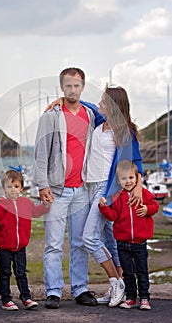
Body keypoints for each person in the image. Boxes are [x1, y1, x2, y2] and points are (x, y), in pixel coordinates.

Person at [46, 85, 143, 307]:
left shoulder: (125, 132)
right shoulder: (100, 123)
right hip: (88, 187)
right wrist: (63, 99)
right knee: (110, 239)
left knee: (89, 237)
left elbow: (135, 161)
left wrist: (137, 185)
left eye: (103, 102)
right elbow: (86, 106)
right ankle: (123, 287)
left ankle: (117, 282)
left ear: (113, 106)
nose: (99, 104)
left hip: (106, 190)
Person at [33, 67, 97, 309]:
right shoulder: (50, 117)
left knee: (80, 242)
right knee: (53, 244)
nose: (72, 90)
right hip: (56, 191)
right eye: (68, 86)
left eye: (77, 85)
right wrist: (42, 185)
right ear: (62, 87)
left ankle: (80, 288)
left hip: (82, 189)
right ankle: (53, 291)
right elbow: (41, 154)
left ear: (83, 87)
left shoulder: (90, 115)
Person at [0, 169, 51, 311]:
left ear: (21, 187)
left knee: (21, 273)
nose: (13, 190)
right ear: (4, 188)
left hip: (20, 246)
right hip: (4, 247)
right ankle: (6, 300)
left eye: (16, 186)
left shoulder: (26, 203)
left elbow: (35, 213)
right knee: (5, 273)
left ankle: (26, 298)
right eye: (9, 187)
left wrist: (45, 206)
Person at [99, 160, 159, 310]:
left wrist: (147, 209)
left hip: (140, 243)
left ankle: (144, 298)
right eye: (124, 178)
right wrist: (103, 208)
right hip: (122, 243)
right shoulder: (117, 198)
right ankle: (131, 297)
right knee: (127, 273)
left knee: (142, 272)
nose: (128, 181)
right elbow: (112, 216)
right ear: (118, 181)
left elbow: (155, 206)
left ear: (137, 178)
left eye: (131, 178)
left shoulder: (143, 193)